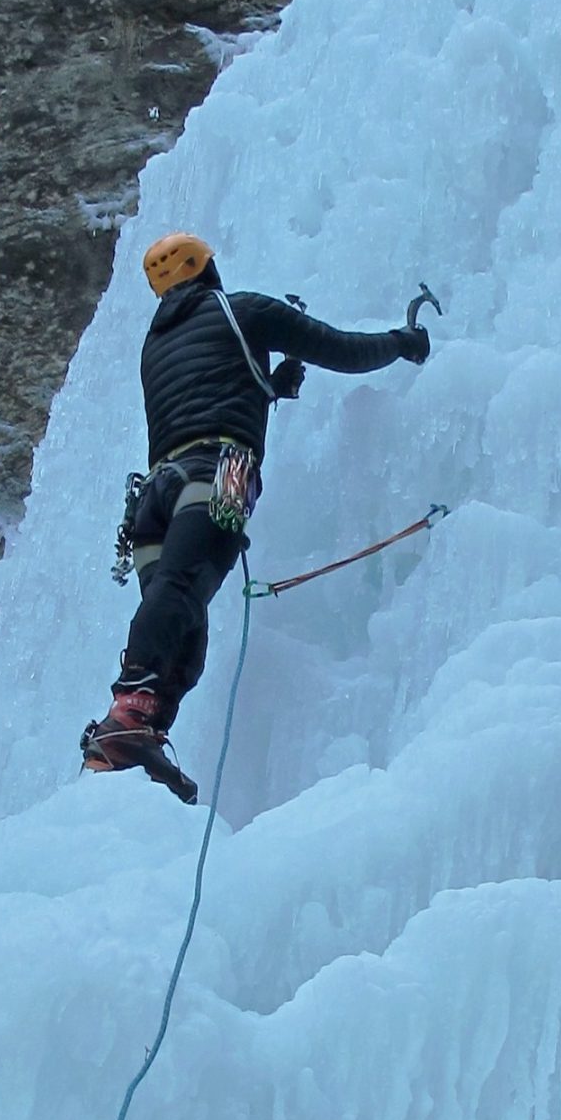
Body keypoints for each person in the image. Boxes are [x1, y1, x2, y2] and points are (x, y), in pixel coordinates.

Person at [80, 231, 431, 802]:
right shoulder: (242, 310)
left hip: (155, 499)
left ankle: (137, 737)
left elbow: (204, 392)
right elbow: (339, 349)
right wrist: (401, 341)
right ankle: (130, 709)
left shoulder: (156, 343)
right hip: (221, 472)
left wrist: (267, 387)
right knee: (183, 591)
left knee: (182, 616)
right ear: (207, 269)